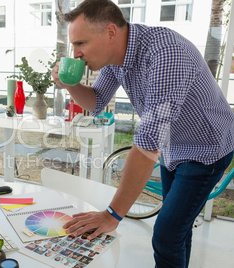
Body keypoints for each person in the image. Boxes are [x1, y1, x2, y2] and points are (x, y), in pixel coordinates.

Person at [52, 0, 234, 267]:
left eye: (81, 43)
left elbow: (148, 142)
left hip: (206, 147)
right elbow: (97, 101)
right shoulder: (116, 57)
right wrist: (70, 85)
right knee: (177, 230)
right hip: (173, 146)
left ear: (111, 33)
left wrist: (112, 214)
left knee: (166, 234)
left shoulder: (166, 53)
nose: (75, 53)